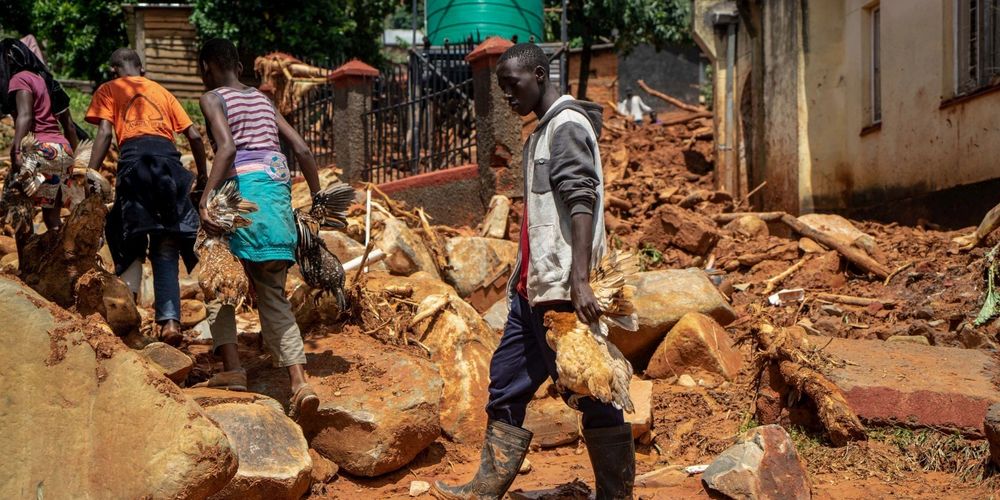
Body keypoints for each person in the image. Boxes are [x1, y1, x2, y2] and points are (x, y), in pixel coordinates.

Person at [432, 43, 635, 500]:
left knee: (591, 391)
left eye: (513, 85)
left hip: (564, 292)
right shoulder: (542, 133)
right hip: (532, 293)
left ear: (540, 74)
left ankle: (616, 494)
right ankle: (485, 487)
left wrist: (580, 281)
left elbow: (581, 202)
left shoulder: (564, 128)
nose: (507, 96)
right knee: (504, 382)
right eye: (501, 87)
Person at [194, 38, 320, 421]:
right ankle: (299, 383)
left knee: (218, 281)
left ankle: (233, 369)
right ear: (239, 64)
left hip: (241, 199)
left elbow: (227, 149)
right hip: (277, 198)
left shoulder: (213, 98)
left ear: (207, 66)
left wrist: (205, 198)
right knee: (272, 293)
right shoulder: (263, 100)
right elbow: (301, 148)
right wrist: (318, 199)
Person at [85, 48, 208, 345]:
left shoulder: (110, 89)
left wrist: (89, 173)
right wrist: (202, 175)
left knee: (128, 241)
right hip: (170, 170)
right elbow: (193, 136)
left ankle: (129, 326)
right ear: (143, 69)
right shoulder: (162, 92)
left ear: (114, 71)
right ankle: (169, 323)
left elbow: (103, 133)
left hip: (135, 166)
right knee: (166, 247)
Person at [0, 38, 79, 246]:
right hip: (61, 149)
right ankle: (61, 260)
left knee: (17, 206)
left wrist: (16, 149)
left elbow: (25, 116)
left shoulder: (19, 78)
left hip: (39, 150)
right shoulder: (40, 78)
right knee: (51, 217)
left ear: (8, 60)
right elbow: (69, 126)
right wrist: (76, 159)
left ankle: (26, 268)